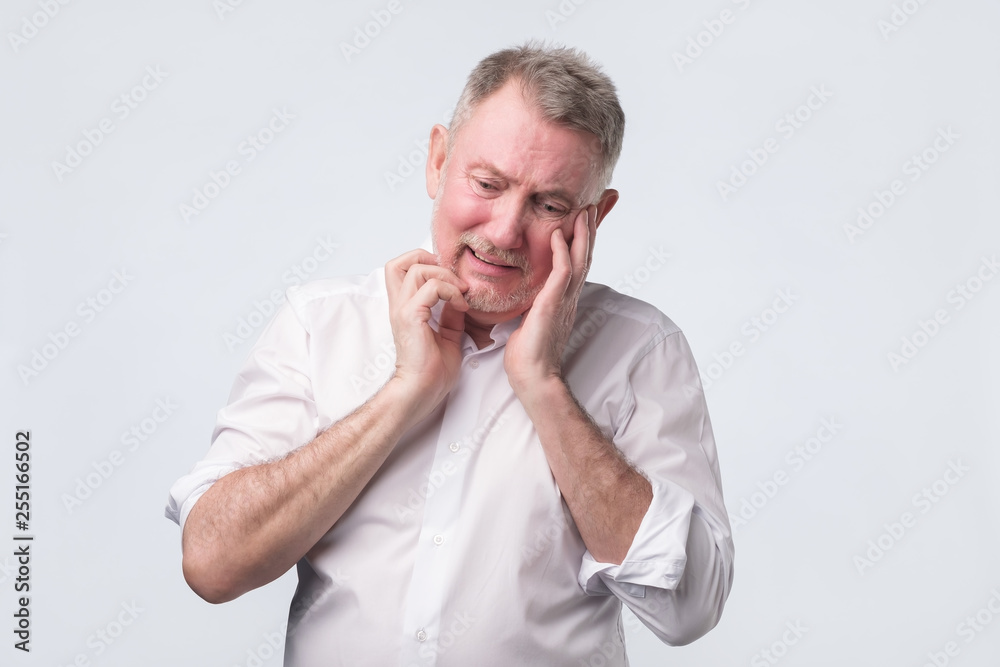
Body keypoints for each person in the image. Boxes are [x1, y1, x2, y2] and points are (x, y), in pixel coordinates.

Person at [166, 43, 734, 666]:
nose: (503, 231)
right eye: (487, 184)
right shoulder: (319, 325)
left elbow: (688, 609)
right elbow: (212, 565)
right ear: (439, 161)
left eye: (549, 205)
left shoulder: (642, 352)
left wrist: (544, 385)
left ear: (594, 218)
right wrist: (404, 393)